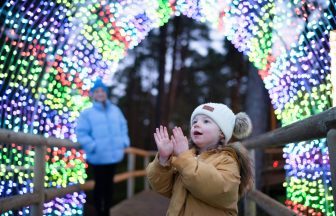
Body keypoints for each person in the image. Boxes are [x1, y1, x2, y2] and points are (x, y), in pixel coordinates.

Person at [146, 102, 254, 216]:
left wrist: (184, 157)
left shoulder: (228, 160)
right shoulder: (185, 158)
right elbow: (163, 188)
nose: (196, 125)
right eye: (194, 121)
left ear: (222, 133)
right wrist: (163, 159)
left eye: (206, 121)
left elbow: (219, 190)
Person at [76, 78, 130, 216]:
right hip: (98, 156)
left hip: (114, 155)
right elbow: (81, 133)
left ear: (106, 93)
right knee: (99, 186)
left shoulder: (115, 110)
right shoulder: (87, 113)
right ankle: (100, 212)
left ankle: (107, 211)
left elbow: (123, 125)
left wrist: (124, 141)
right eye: (97, 91)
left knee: (110, 185)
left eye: (102, 91)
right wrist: (93, 146)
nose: (100, 93)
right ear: (93, 94)